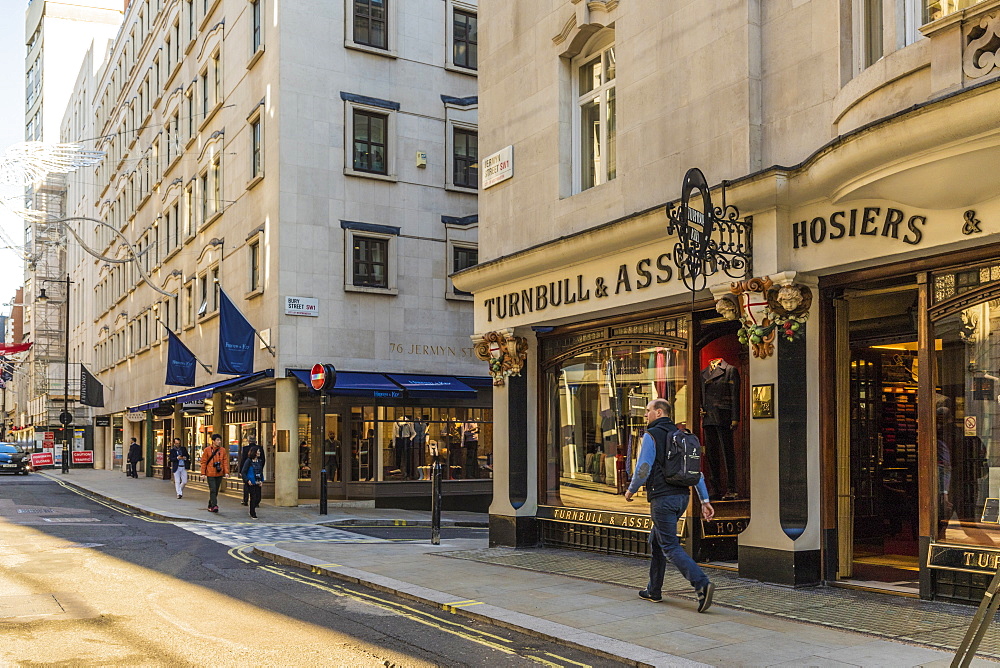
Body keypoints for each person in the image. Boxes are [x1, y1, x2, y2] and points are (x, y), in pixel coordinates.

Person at [625, 398, 716, 613]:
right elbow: (696, 472)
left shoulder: (652, 435)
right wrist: (704, 501)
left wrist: (631, 489)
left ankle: (702, 584)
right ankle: (653, 590)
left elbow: (644, 467)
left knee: (669, 546)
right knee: (656, 541)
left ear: (658, 412)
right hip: (682, 498)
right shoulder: (681, 436)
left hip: (662, 498)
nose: (645, 415)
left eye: (648, 411)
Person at [200, 433, 229, 513]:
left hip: (219, 473)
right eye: (217, 440)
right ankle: (214, 505)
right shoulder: (207, 450)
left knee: (216, 490)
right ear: (213, 441)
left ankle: (210, 504)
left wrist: (226, 472)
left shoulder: (222, 450)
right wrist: (203, 473)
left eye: (220, 440)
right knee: (212, 489)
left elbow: (225, 461)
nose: (219, 442)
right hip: (210, 473)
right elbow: (203, 462)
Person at [237, 438, 265, 506]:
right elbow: (263, 459)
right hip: (257, 470)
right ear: (255, 441)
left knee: (246, 486)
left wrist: (241, 470)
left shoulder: (245, 448)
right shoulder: (260, 448)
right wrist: (260, 468)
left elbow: (243, 459)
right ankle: (257, 501)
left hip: (247, 470)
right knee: (257, 486)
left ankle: (245, 500)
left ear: (249, 441)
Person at [240, 445, 264, 519]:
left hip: (257, 481)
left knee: (258, 498)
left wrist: (261, 480)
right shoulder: (248, 461)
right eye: (258, 451)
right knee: (253, 497)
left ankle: (252, 509)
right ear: (254, 452)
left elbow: (260, 471)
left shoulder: (259, 461)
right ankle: (252, 512)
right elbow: (243, 472)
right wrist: (247, 480)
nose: (259, 452)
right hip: (251, 482)